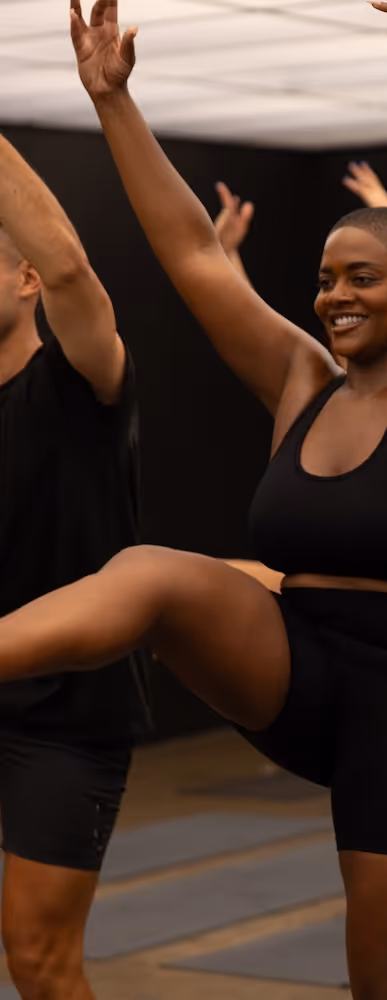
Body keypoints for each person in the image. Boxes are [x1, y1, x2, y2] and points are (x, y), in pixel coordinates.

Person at [15, 2, 387, 997]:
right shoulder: (302, 382)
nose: (335, 297)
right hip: (306, 671)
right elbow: (195, 256)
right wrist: (114, 102)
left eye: (363, 278)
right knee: (153, 574)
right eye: (326, 279)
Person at [0, 131, 149, 1000]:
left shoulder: (79, 386)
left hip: (63, 715)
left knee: (39, 960)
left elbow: (71, 270)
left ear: (24, 281)